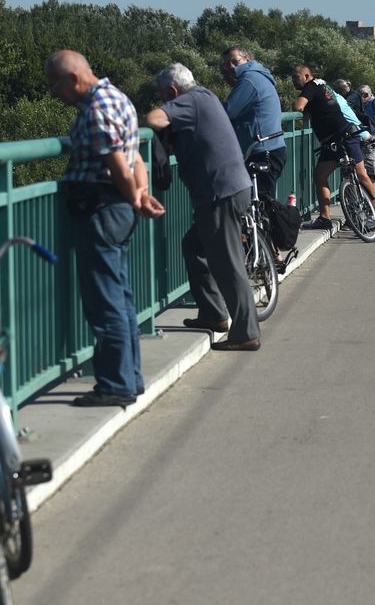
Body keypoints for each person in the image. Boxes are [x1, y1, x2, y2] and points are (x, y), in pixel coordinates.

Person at [46, 50, 165, 407]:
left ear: (73, 79)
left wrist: (134, 198)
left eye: (54, 84)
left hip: (100, 210)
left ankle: (115, 385)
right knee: (120, 297)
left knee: (105, 301)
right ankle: (130, 378)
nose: (53, 92)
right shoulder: (119, 99)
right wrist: (140, 196)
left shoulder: (97, 110)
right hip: (116, 208)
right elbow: (136, 157)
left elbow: (117, 163)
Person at [146, 63, 261, 352]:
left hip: (220, 193)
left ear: (172, 91)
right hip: (229, 188)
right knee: (194, 247)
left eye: (163, 95)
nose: (163, 100)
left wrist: (158, 136)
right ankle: (213, 314)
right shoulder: (206, 96)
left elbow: (155, 118)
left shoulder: (189, 101)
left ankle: (246, 332)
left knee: (228, 263)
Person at [292, 65, 375, 231]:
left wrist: (297, 105)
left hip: (339, 137)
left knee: (359, 175)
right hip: (343, 136)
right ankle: (373, 217)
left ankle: (372, 215)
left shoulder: (310, 86)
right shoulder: (322, 85)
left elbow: (298, 107)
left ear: (306, 76)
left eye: (295, 77)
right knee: (324, 175)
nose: (293, 81)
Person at [220, 46, 285, 199]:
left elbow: (228, 111)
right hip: (269, 147)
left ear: (247, 59)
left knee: (259, 200)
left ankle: (281, 223)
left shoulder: (249, 79)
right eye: (227, 64)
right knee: (263, 202)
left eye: (235, 61)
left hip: (263, 150)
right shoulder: (258, 76)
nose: (231, 66)